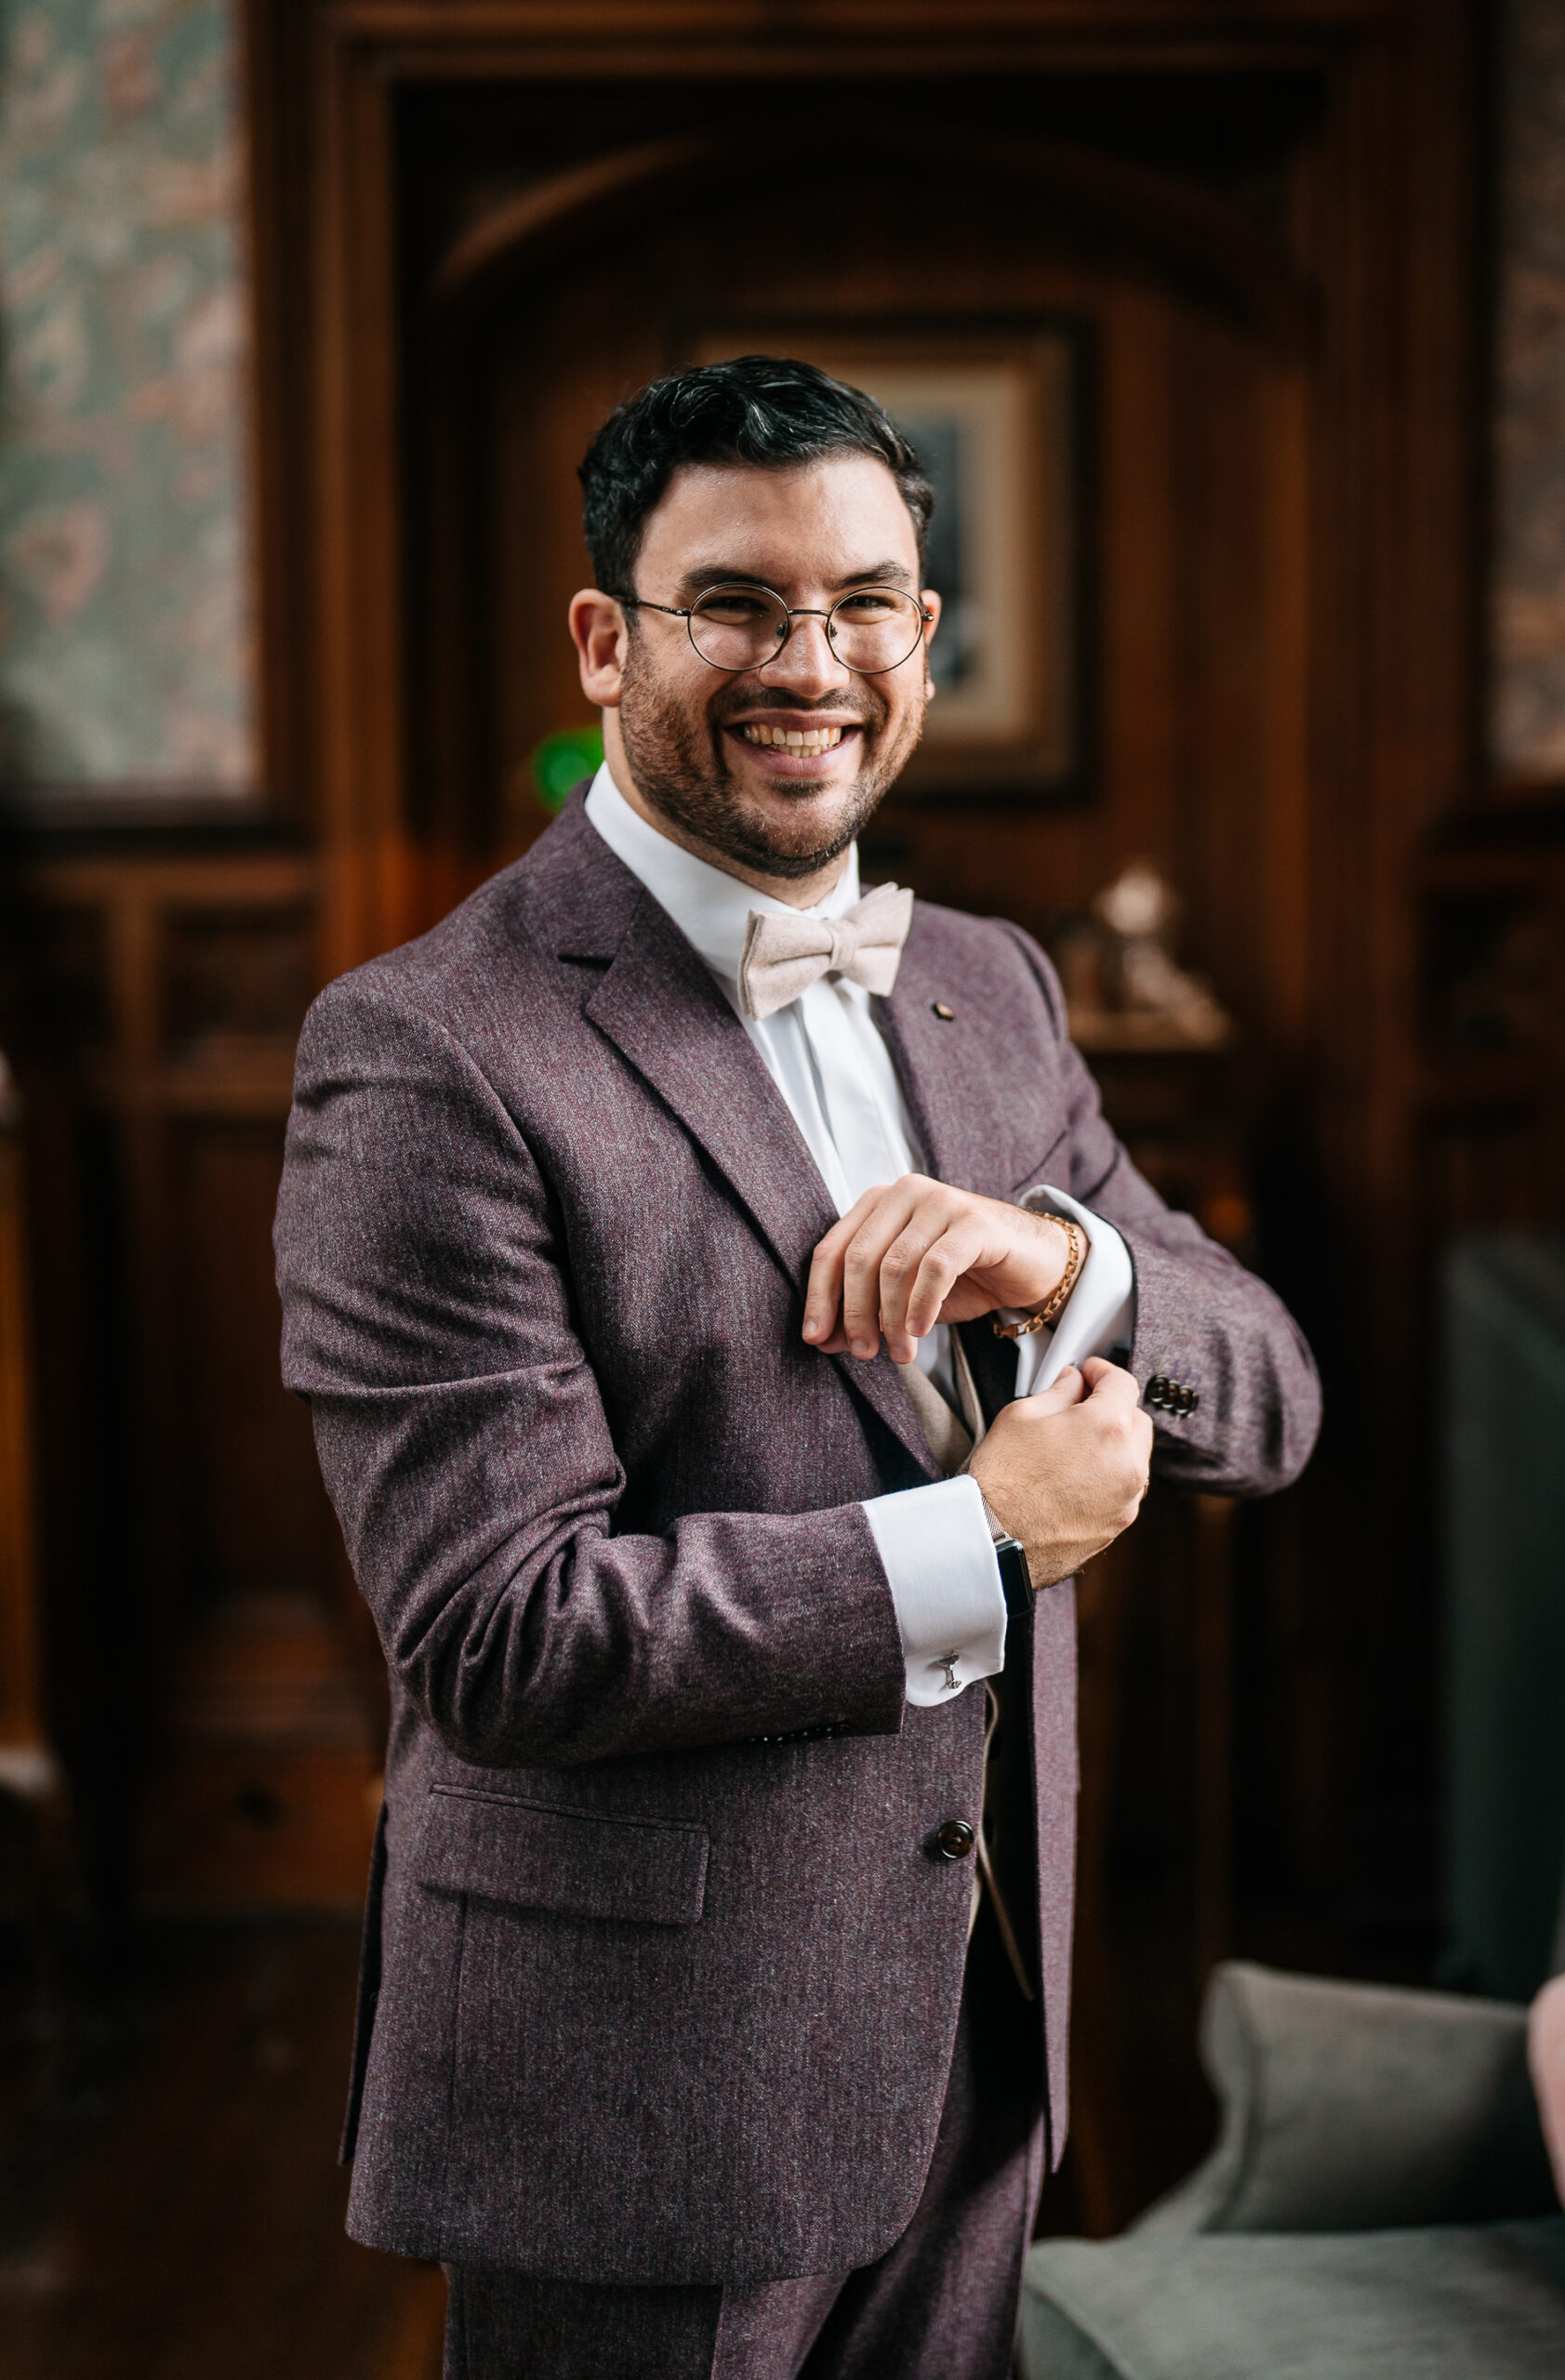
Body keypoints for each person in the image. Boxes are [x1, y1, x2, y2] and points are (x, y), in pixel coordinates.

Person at [274, 356, 1320, 2380]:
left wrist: (1069, 1257)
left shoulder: (991, 986)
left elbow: (1265, 1396)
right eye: (735, 602)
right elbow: (502, 1635)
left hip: (977, 2025)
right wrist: (976, 1536)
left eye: (860, 602)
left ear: (921, 639)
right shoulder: (426, 1047)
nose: (808, 659)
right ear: (605, 639)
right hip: (637, 2086)